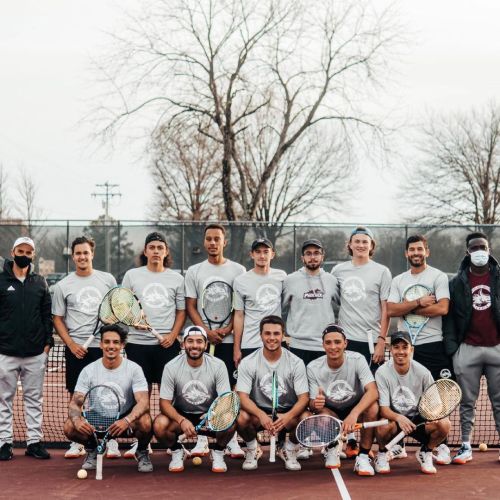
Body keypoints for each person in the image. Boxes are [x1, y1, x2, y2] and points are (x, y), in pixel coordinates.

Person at [387, 234, 452, 464]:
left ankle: (440, 445)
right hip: (406, 345)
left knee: (437, 397)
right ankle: (398, 445)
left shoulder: (438, 276)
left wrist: (407, 308)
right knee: (400, 394)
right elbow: (392, 310)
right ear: (406, 253)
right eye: (412, 249)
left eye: (420, 249)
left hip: (433, 344)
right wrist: (418, 303)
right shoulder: (398, 280)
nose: (416, 253)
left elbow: (443, 308)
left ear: (427, 251)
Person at [52, 236, 118, 459]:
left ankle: (111, 439)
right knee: (76, 396)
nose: (82, 256)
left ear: (92, 254)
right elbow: (58, 318)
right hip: (76, 349)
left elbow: (115, 308)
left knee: (106, 394)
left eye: (85, 252)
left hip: (103, 347)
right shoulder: (63, 285)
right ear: (73, 256)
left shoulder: (107, 280)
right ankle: (78, 441)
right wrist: (71, 344)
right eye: (78, 253)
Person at [121, 231, 186, 458]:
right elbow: (124, 306)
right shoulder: (132, 275)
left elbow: (181, 311)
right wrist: (133, 321)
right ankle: (144, 443)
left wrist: (173, 335)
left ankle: (173, 443)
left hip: (167, 346)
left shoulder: (177, 279)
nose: (156, 251)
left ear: (166, 252)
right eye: (152, 247)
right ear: (146, 251)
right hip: (137, 344)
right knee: (142, 396)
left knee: (170, 396)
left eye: (160, 247)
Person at [184, 224, 245, 458]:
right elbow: (190, 304)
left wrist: (227, 328)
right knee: (205, 387)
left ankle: (229, 439)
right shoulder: (195, 271)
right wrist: (205, 331)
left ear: (224, 242)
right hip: (203, 340)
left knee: (229, 389)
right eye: (208, 239)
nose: (212, 243)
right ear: (204, 242)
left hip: (229, 341)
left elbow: (240, 306)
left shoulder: (238, 270)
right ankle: (202, 439)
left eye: (216, 239)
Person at [331, 226, 391, 457]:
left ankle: (381, 446)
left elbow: (386, 308)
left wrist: (381, 340)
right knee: (348, 392)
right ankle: (351, 441)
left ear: (371, 246)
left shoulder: (381, 272)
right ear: (350, 244)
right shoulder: (338, 270)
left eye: (365, 242)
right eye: (357, 241)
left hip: (370, 343)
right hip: (346, 341)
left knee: (373, 393)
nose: (360, 245)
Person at [63, 324, 153, 473]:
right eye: (107, 342)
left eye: (116, 342)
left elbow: (143, 402)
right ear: (100, 344)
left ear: (122, 345)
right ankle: (92, 448)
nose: (111, 346)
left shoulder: (134, 369)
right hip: (97, 419)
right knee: (69, 426)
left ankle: (142, 451)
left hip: (124, 419)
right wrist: (78, 420)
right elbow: (75, 402)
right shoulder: (89, 370)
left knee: (145, 421)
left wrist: (127, 420)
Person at [443, 231, 500, 464]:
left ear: (489, 250)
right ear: (468, 252)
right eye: (475, 248)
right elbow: (449, 319)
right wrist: (453, 351)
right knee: (467, 402)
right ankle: (465, 445)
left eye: (483, 247)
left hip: (497, 347)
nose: (479, 252)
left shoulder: (499, 277)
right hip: (467, 349)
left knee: (499, 401)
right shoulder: (456, 282)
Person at [153, 326, 235, 473]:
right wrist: (181, 420)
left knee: (230, 420)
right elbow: (163, 403)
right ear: (183, 344)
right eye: (190, 341)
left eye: (199, 341)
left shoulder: (218, 365)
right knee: (159, 425)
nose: (195, 345)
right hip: (182, 413)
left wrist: (212, 415)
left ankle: (218, 452)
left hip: (211, 414)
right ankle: (177, 451)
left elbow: (225, 400)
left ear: (206, 344)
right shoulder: (171, 367)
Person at [0, 236, 53, 461]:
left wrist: (47, 344)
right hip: (5, 351)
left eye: (29, 252)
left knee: (34, 399)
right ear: (13, 252)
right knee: (3, 400)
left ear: (33, 255)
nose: (24, 255)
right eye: (20, 251)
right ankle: (4, 443)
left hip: (35, 353)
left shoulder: (40, 282)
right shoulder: (1, 281)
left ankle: (34, 443)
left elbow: (46, 315)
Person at [306, 324, 382, 475]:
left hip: (355, 408)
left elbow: (373, 391)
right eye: (328, 343)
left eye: (337, 342)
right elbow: (312, 404)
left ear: (345, 343)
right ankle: (332, 446)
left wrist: (354, 414)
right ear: (323, 345)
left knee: (372, 407)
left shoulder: (358, 359)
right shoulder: (313, 367)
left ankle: (363, 456)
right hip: (331, 411)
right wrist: (315, 403)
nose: (333, 347)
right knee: (321, 414)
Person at [235, 316, 309, 471]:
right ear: (260, 335)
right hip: (258, 412)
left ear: (283, 335)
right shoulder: (248, 362)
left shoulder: (296, 362)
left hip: (287, 413)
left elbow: (304, 398)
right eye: (267, 333)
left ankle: (288, 449)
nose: (272, 338)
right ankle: (253, 448)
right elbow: (242, 397)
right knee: (240, 417)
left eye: (276, 334)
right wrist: (261, 415)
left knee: (306, 418)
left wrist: (287, 416)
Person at [375, 331, 450, 475]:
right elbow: (383, 408)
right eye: (396, 347)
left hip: (418, 421)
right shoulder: (382, 372)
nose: (400, 351)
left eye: (405, 347)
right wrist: (399, 418)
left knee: (444, 424)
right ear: (390, 349)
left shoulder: (423, 372)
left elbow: (436, 404)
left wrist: (433, 415)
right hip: (395, 421)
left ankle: (426, 452)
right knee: (382, 427)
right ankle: (383, 454)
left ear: (411, 350)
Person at [283, 239, 339, 365]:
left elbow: (341, 309)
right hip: (298, 347)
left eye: (316, 253)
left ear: (322, 257)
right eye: (308, 253)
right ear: (302, 258)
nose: (312, 257)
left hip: (325, 347)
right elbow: (280, 310)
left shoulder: (332, 281)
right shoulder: (290, 280)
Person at [233, 238, 287, 364]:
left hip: (275, 343)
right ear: (252, 254)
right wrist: (236, 348)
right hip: (250, 344)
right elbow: (239, 315)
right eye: (257, 252)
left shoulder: (282, 277)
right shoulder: (241, 281)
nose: (262, 256)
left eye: (266, 252)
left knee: (273, 383)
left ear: (272, 254)